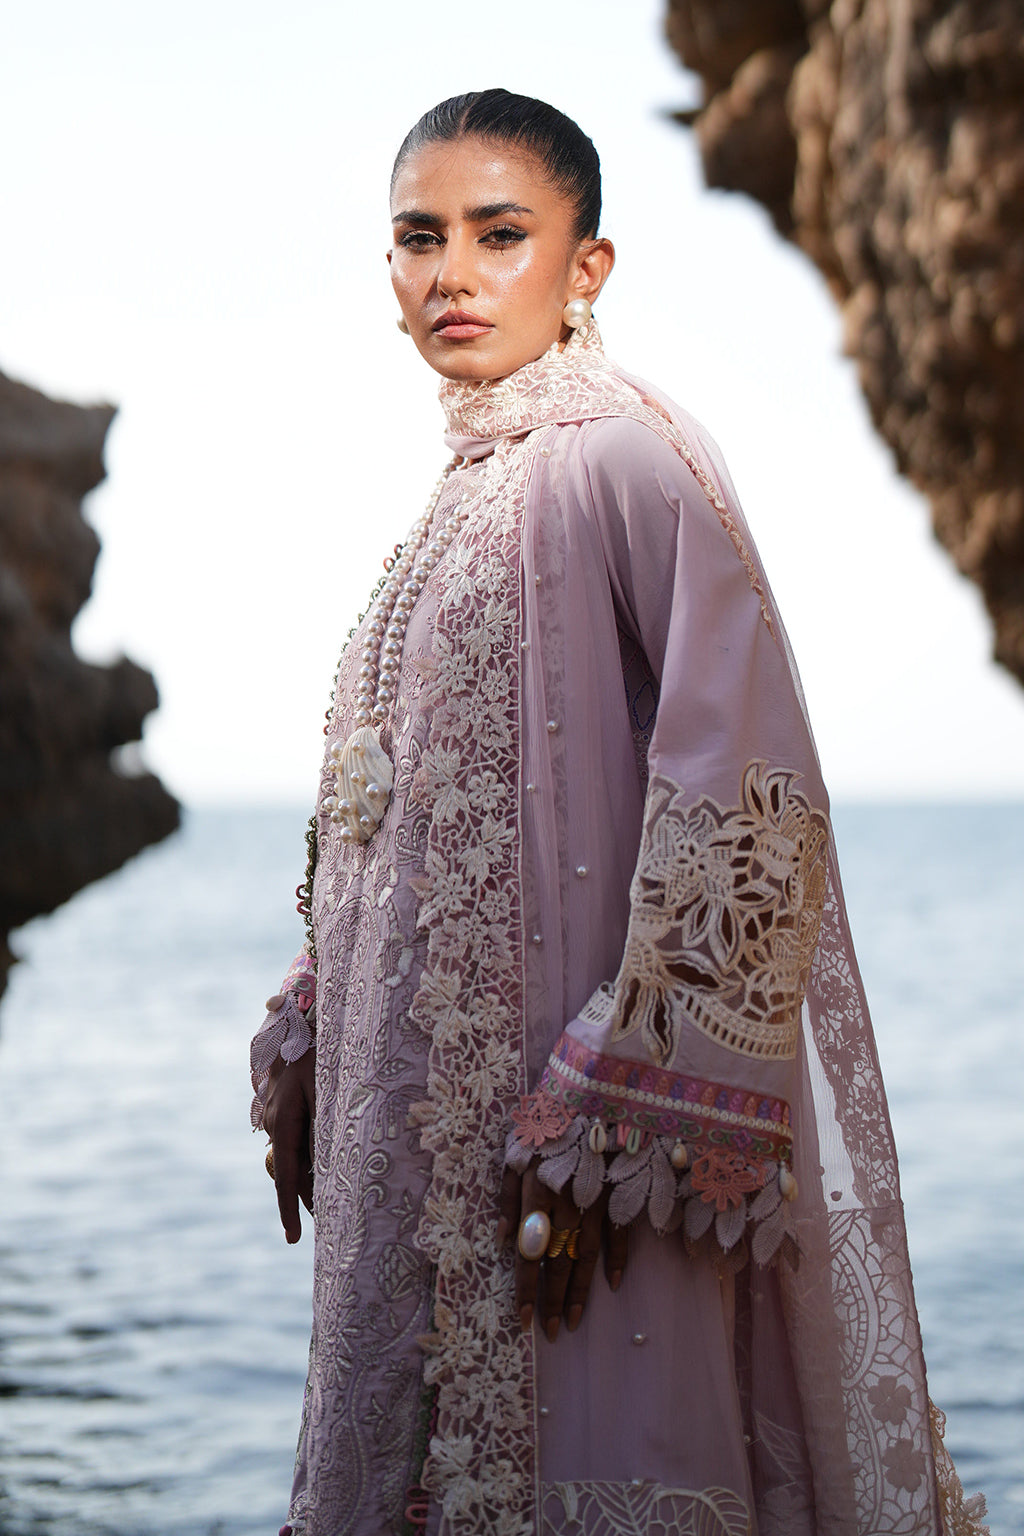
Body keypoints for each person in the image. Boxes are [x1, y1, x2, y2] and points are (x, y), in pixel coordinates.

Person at [250, 90, 987, 1536]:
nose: (452, 275)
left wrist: (620, 1126)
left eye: (499, 234)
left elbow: (752, 807)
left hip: (581, 1162)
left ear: (587, 265)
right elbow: (395, 829)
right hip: (433, 1143)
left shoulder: (624, 460)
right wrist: (314, 1020)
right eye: (418, 238)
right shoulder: (459, 496)